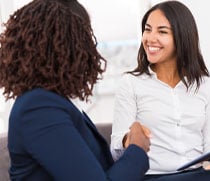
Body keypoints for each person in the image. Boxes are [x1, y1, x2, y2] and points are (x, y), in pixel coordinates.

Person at [0, 0, 151, 180]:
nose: (89, 47)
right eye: (84, 35)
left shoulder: (51, 101)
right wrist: (137, 149)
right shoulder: (38, 108)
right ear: (66, 42)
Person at [110, 1, 210, 180]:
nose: (150, 38)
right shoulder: (131, 83)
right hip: (153, 176)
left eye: (162, 31)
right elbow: (115, 152)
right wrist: (129, 140)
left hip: (195, 173)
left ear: (182, 37)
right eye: (148, 29)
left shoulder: (205, 84)